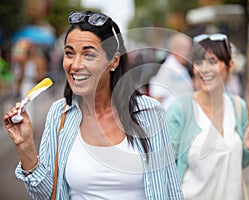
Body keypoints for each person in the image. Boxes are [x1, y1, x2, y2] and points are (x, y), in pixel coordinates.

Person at [3, 10, 183, 200]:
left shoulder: (149, 112)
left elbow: (170, 189)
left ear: (113, 61)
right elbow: (47, 195)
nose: (76, 65)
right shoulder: (59, 114)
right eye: (69, 53)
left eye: (88, 55)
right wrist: (25, 147)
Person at [165, 33, 249, 200]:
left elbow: (235, 164)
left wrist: (247, 148)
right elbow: (165, 170)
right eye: (198, 62)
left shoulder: (238, 107)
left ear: (230, 65)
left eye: (213, 61)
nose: (204, 69)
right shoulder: (180, 110)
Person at [149, 33, 194, 110]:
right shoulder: (167, 70)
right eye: (184, 49)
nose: (188, 53)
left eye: (189, 49)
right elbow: (156, 96)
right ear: (173, 50)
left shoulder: (181, 67)